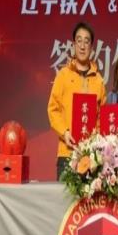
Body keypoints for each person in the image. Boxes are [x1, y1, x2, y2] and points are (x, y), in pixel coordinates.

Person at [48, 22, 106, 180]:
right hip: (67, 154)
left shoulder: (99, 81)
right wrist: (64, 132)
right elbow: (53, 109)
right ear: (73, 44)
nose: (82, 46)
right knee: (64, 197)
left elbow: (101, 118)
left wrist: (95, 145)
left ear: (92, 47)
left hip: (91, 158)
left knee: (91, 198)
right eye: (79, 40)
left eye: (86, 41)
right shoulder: (63, 75)